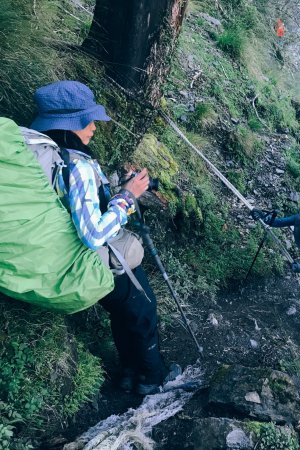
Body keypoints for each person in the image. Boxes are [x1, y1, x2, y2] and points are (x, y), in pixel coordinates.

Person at [30, 80, 180, 395]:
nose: (95, 126)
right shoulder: (79, 165)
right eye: (89, 120)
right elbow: (93, 233)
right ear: (69, 125)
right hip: (102, 260)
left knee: (122, 312)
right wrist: (127, 196)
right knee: (143, 311)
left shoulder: (44, 153)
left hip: (66, 258)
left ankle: (128, 372)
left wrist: (118, 190)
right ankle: (153, 379)